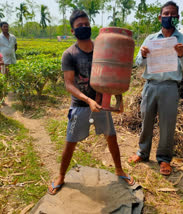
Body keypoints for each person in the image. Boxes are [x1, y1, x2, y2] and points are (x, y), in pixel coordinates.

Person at [48, 9, 134, 195]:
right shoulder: (69, 54)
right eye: (80, 26)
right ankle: (61, 175)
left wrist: (118, 99)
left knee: (111, 137)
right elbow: (69, 85)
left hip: (101, 102)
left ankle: (119, 170)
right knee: (70, 142)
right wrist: (88, 100)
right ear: (73, 31)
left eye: (87, 24)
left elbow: (114, 75)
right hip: (80, 106)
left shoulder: (103, 49)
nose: (84, 28)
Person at [128, 1, 183, 176]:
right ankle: (142, 153)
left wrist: (181, 55)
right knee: (146, 121)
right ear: (160, 17)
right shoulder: (150, 39)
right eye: (165, 14)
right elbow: (138, 64)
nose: (169, 17)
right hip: (150, 85)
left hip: (169, 87)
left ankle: (164, 159)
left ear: (177, 18)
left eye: (173, 15)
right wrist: (142, 55)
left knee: (167, 125)